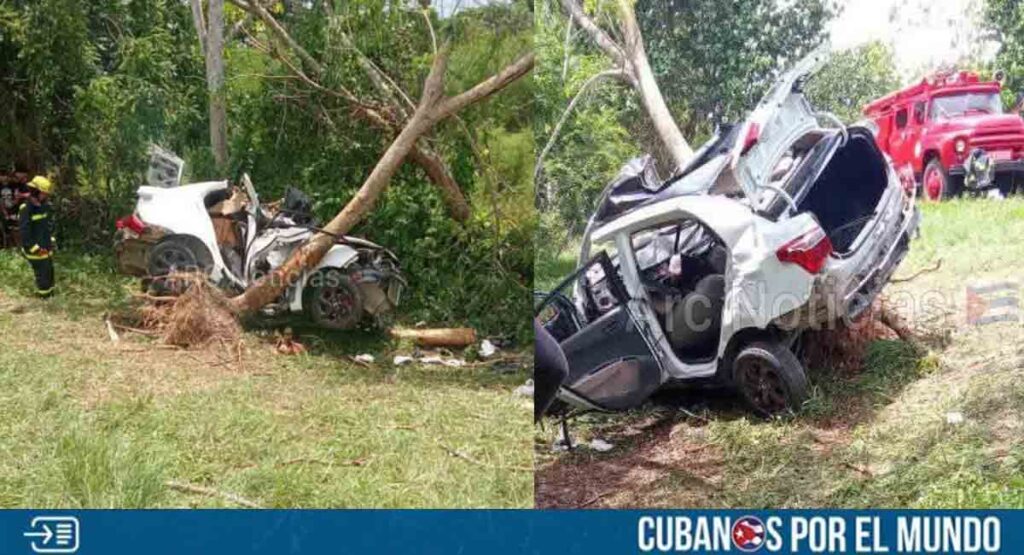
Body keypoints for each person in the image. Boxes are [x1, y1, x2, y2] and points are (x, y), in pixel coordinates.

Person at [19, 175, 55, 297]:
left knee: (49, 271)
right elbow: (25, 233)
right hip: (35, 250)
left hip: (45, 246)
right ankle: (44, 298)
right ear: (36, 191)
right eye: (44, 193)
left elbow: (45, 227)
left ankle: (50, 294)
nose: (46, 196)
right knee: (43, 274)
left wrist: (50, 240)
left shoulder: (43, 206)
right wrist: (35, 248)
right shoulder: (26, 209)